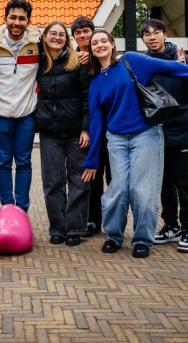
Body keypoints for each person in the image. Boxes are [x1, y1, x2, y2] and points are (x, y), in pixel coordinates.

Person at [81, 30, 188, 258]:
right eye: (95, 43)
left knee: (142, 190)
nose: (100, 45)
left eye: (104, 40)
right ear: (91, 50)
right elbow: (96, 123)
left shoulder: (131, 61)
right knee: (118, 190)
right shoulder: (95, 82)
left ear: (112, 44)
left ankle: (142, 239)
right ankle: (114, 235)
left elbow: (170, 68)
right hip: (116, 139)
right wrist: (92, 159)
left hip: (145, 135)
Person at [140, 19, 188, 253]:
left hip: (180, 133)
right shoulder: (145, 64)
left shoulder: (183, 58)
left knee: (183, 184)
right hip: (155, 133)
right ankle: (171, 226)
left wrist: (185, 71)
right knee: (164, 185)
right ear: (143, 39)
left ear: (165, 35)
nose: (152, 37)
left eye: (156, 32)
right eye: (147, 34)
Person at [36, 21, 91, 246]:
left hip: (76, 132)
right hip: (49, 132)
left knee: (78, 181)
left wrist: (86, 128)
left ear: (66, 39)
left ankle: (75, 228)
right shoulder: (38, 61)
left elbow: (87, 97)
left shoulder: (78, 61)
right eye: (52, 33)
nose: (57, 37)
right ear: (45, 37)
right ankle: (57, 228)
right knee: (53, 182)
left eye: (61, 34)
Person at [0, 0, 41, 212]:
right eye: (13, 17)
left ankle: (21, 210)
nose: (17, 22)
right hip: (0, 114)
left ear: (28, 21)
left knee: (23, 162)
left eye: (22, 18)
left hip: (26, 115)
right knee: (3, 163)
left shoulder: (38, 44)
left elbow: (63, 54)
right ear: (5, 18)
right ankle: (7, 209)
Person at [70, 16, 110, 237]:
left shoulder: (105, 56)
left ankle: (114, 221)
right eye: (78, 33)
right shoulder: (73, 59)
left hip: (111, 125)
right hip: (90, 126)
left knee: (114, 177)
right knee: (92, 176)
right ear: (74, 37)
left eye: (86, 31)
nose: (83, 36)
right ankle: (93, 220)